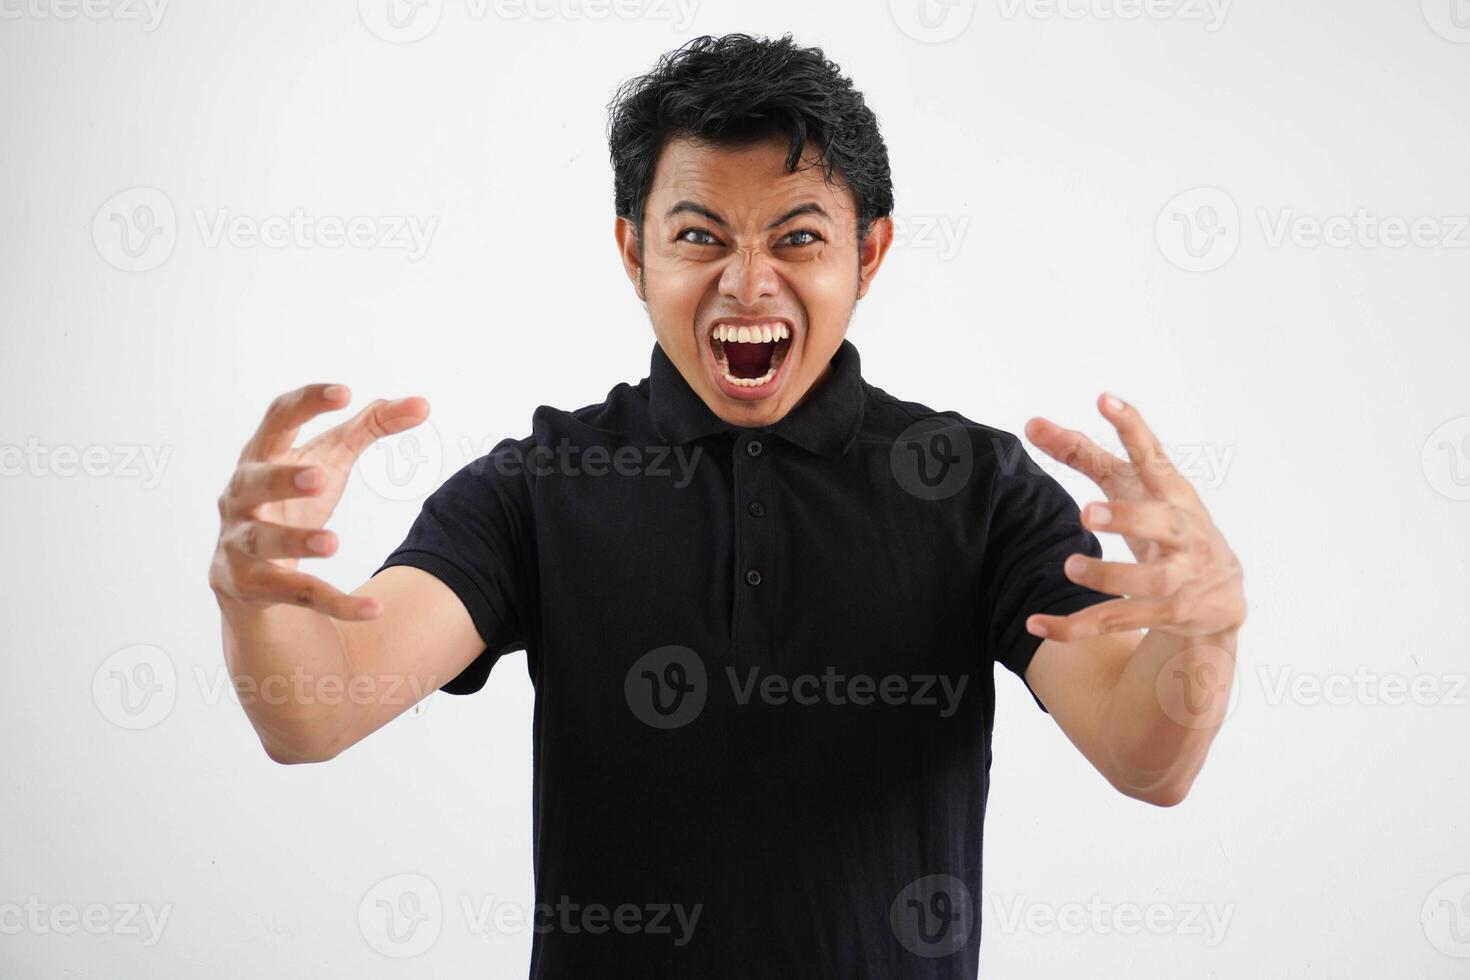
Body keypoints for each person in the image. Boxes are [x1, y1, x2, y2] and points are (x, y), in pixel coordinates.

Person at [208, 32, 1246, 979]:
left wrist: (1204, 631)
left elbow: (1141, 752)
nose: (749, 284)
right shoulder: (542, 483)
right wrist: (257, 592)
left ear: (868, 254)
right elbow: (314, 709)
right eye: (702, 237)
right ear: (635, 253)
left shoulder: (973, 487)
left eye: (796, 238)